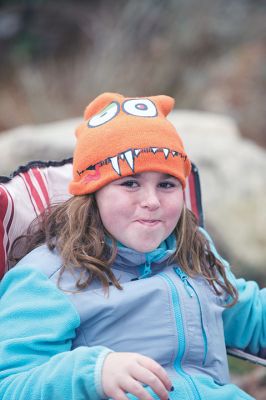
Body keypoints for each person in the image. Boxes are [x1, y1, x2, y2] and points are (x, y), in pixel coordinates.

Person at [0, 92, 265, 400]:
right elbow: (9, 385)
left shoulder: (192, 252)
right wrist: (93, 372)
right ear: (93, 192)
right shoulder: (48, 276)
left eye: (166, 184)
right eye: (130, 183)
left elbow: (245, 315)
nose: (151, 201)